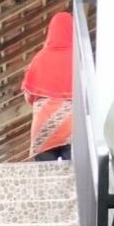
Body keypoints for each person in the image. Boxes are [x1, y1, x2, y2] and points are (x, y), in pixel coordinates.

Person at [22, 11, 74, 161]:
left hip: (43, 128)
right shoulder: (79, 58)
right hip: (71, 127)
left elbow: (28, 96)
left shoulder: (39, 59)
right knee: (74, 173)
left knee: (45, 170)